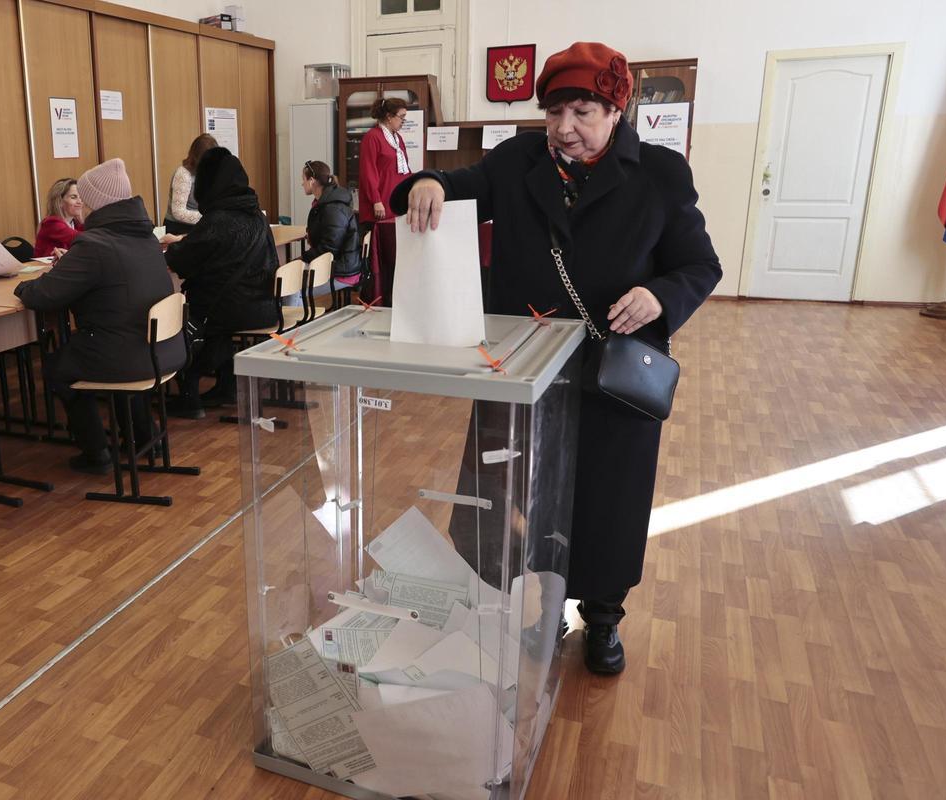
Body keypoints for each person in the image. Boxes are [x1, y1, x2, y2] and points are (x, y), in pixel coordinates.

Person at [393, 42, 722, 675]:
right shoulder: (519, 160)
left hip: (612, 373)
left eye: (581, 111)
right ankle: (549, 606)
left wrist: (659, 296)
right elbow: (460, 188)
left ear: (615, 110)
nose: (564, 128)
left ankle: (603, 619)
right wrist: (430, 180)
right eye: (553, 111)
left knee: (606, 502)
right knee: (526, 498)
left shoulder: (659, 175)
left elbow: (699, 265)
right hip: (526, 368)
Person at [15, 158, 185, 474]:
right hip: (163, 349)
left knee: (57, 368)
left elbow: (45, 294)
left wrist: (23, 288)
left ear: (95, 202)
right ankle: (146, 438)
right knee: (120, 350)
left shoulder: (95, 243)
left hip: (130, 354)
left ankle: (96, 453)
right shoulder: (145, 236)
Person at [164, 147, 278, 415]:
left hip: (228, 309)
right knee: (221, 320)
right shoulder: (257, 217)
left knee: (205, 320)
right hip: (264, 305)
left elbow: (184, 261)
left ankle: (190, 394)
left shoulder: (218, 220)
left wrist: (174, 247)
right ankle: (226, 387)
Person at [300, 160, 361, 292]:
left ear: (312, 181)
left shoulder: (332, 207)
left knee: (292, 287)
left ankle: (297, 311)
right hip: (339, 265)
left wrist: (303, 258)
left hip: (342, 271)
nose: (301, 183)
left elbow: (329, 248)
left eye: (303, 179)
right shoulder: (326, 203)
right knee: (293, 276)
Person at [357, 96, 410, 230]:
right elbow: (368, 172)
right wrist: (376, 200)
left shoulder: (398, 139)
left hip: (396, 205)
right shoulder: (372, 137)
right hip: (380, 206)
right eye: (401, 116)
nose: (404, 121)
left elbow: (404, 171)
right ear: (389, 117)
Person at [163, 133, 218, 235]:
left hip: (202, 225)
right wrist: (209, 217)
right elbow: (178, 212)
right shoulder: (183, 174)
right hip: (179, 228)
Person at [33, 178, 84, 258]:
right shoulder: (51, 223)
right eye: (74, 197)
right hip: (46, 268)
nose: (80, 201)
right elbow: (85, 239)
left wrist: (82, 221)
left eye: (81, 197)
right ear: (60, 202)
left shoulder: (74, 223)